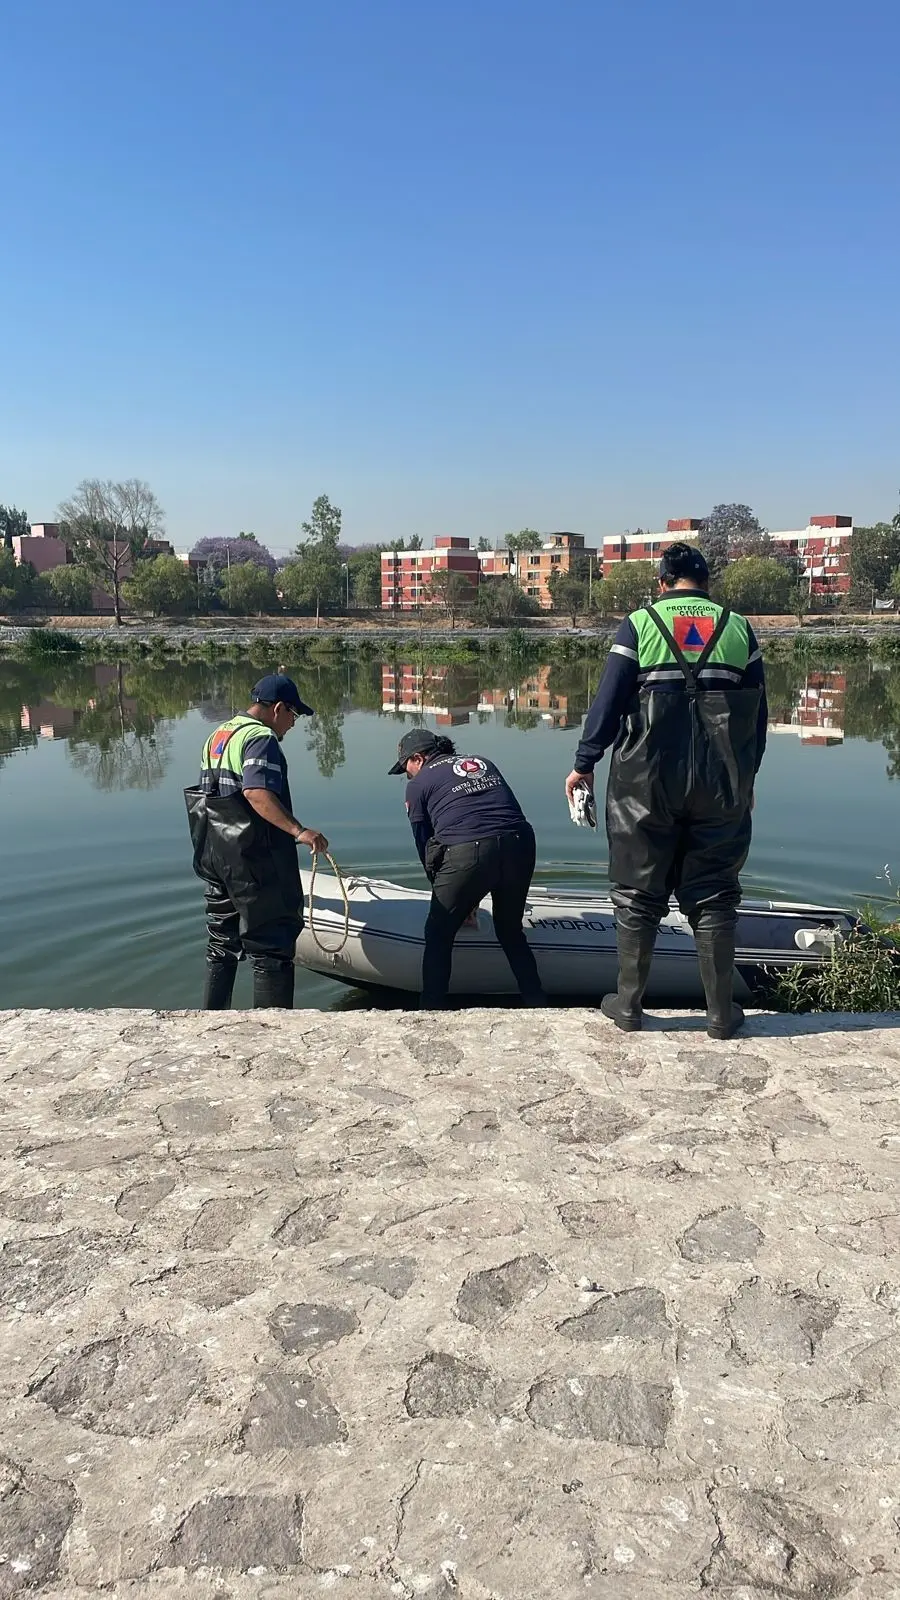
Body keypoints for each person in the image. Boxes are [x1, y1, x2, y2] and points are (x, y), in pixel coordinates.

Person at [564, 542, 768, 1038]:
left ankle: (630, 1006)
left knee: (637, 892)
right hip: (722, 780)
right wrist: (748, 779)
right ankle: (721, 1014)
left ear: (663, 582)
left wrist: (583, 764)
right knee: (715, 893)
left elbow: (608, 702)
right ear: (705, 583)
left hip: (645, 780)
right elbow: (757, 717)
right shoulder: (739, 628)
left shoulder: (640, 624)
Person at [186, 673, 328, 1010]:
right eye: (294, 715)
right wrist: (299, 831)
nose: (293, 724)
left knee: (222, 941)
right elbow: (256, 792)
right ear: (278, 708)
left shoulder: (218, 734)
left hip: (213, 850)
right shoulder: (261, 738)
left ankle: (211, 1019)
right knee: (272, 944)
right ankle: (273, 1030)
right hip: (252, 855)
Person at [390, 729, 548, 1008]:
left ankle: (431, 1011)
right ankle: (536, 1001)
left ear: (418, 758)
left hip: (468, 852)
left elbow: (425, 846)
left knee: (438, 934)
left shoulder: (417, 786)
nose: (407, 775)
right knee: (510, 930)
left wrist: (453, 901)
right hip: (521, 842)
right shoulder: (482, 762)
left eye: (406, 767)